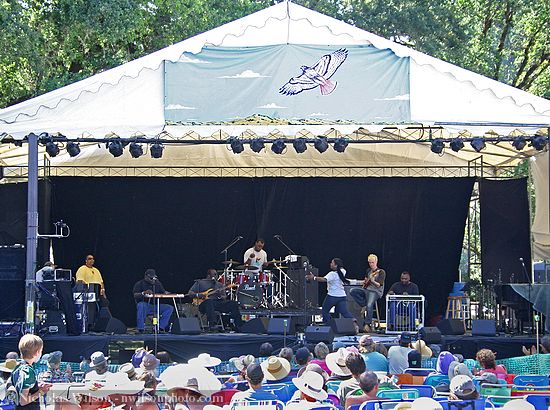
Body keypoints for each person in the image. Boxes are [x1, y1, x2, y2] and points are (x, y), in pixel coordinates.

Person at [306, 258, 356, 326]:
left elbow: (324, 279)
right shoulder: (343, 271)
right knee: (344, 312)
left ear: (336, 265)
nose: (330, 264)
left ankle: (329, 325)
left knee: (325, 310)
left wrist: (313, 278)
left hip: (332, 296)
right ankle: (354, 323)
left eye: (332, 263)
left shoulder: (332, 274)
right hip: (342, 296)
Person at [10, 334, 51, 409]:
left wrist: (36, 386)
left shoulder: (18, 367)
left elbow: (21, 387)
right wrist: (41, 391)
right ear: (37, 352)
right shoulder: (28, 371)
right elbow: (23, 401)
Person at [350, 254, 386, 332]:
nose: (371, 264)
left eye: (372, 262)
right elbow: (366, 281)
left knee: (370, 304)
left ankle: (367, 324)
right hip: (367, 290)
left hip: (376, 291)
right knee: (352, 291)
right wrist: (364, 282)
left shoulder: (381, 272)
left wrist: (372, 280)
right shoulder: (368, 271)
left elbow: (379, 285)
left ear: (376, 262)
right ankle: (364, 304)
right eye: (369, 262)